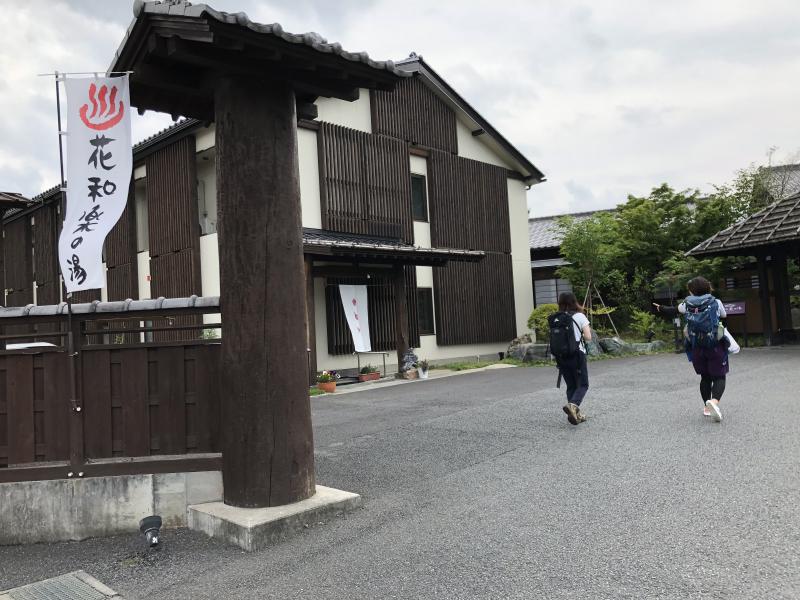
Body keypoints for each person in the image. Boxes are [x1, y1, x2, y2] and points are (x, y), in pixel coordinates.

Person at [654, 276, 728, 422]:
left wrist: (660, 308)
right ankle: (714, 402)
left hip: (696, 345)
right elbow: (724, 316)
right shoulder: (715, 302)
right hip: (714, 345)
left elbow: (673, 310)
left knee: (705, 377)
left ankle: (707, 407)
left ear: (691, 290)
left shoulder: (686, 303)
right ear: (708, 287)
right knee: (719, 376)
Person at [552, 292, 592, 425]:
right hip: (577, 355)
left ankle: (575, 414)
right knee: (583, 384)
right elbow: (588, 337)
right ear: (574, 301)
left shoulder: (557, 318)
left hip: (561, 357)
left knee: (571, 386)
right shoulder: (579, 316)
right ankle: (573, 405)